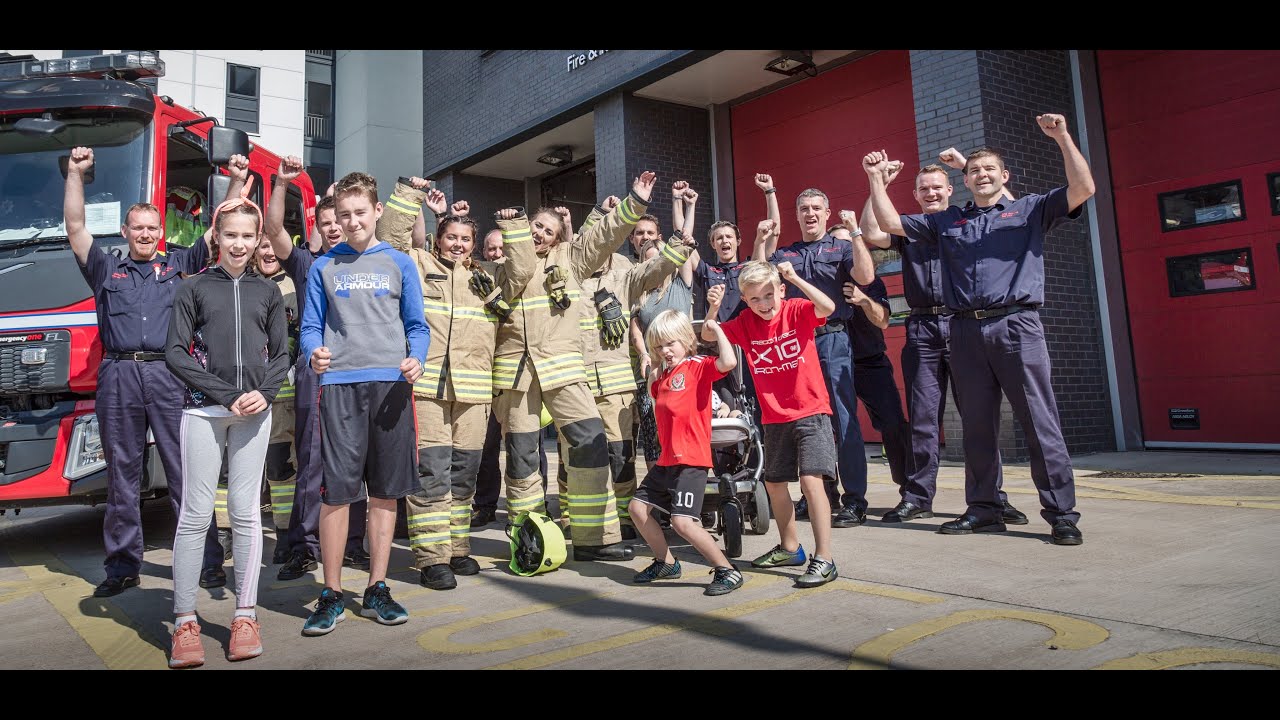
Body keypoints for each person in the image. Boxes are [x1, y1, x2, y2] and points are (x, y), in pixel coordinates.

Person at [865, 112, 1095, 546]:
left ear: (1003, 176)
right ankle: (985, 507)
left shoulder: (1029, 210)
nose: (982, 175)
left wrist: (1063, 137)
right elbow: (891, 226)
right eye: (974, 170)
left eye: (989, 169)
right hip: (965, 331)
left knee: (1039, 422)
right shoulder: (948, 221)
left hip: (1016, 326)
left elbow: (1084, 188)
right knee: (977, 426)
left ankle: (1061, 513)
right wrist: (877, 180)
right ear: (964, 181)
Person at [64, 146, 239, 598]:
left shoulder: (178, 264)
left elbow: (220, 232)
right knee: (122, 474)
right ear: (125, 231)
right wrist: (75, 175)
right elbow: (75, 227)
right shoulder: (105, 268)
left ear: (162, 232)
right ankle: (122, 565)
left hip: (168, 376)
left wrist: (237, 183)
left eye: (152, 228)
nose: (144, 234)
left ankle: (206, 560)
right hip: (119, 377)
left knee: (186, 471)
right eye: (137, 228)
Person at [492, 170, 654, 563]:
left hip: (563, 371)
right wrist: (513, 227)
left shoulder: (572, 258)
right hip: (516, 376)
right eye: (535, 225)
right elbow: (516, 271)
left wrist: (635, 203)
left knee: (590, 444)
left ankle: (593, 538)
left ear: (559, 236)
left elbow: (603, 236)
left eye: (548, 229)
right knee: (523, 457)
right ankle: (529, 541)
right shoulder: (505, 264)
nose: (540, 233)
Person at [858, 161, 1027, 525]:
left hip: (964, 323)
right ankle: (918, 496)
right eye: (924, 189)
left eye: (937, 187)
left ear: (951, 189)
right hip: (923, 327)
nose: (931, 193)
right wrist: (878, 186)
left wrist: (969, 165)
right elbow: (872, 229)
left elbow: (1010, 206)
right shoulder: (910, 228)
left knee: (978, 417)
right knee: (922, 418)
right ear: (916, 195)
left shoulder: (965, 221)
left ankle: (992, 497)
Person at [298, 171, 430, 635]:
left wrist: (416, 358)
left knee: (386, 492)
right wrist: (311, 352)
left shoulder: (400, 263)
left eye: (360, 213)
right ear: (334, 217)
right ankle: (331, 592)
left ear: (377, 212)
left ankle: (376, 587)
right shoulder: (322, 267)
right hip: (339, 387)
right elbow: (310, 327)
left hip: (391, 388)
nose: (352, 222)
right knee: (336, 493)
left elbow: (418, 326)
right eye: (344, 215)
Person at [163, 192, 290, 668]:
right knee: (196, 515)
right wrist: (222, 394)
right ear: (215, 236)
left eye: (247, 236)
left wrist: (266, 393)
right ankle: (185, 621)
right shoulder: (192, 287)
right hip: (202, 412)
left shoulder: (268, 291)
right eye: (230, 235)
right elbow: (175, 352)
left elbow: (281, 355)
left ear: (260, 239)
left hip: (255, 414)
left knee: (244, 513)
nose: (238, 244)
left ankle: (244, 615)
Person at [377, 178, 500, 590]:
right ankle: (431, 558)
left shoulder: (486, 277)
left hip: (474, 393)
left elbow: (522, 268)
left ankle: (457, 549)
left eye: (466, 238)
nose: (459, 245)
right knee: (432, 474)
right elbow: (390, 239)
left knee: (464, 475)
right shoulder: (417, 265)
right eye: (451, 237)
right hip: (427, 390)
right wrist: (410, 193)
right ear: (438, 240)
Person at [562, 198, 697, 541]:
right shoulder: (568, 276)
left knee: (621, 455)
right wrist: (596, 214)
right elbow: (579, 242)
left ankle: (626, 518)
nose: (598, 251)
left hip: (617, 383)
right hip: (575, 383)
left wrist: (679, 242)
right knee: (576, 456)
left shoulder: (624, 272)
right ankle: (573, 517)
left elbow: (658, 267)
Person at [702, 254, 840, 588]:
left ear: (780, 290)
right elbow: (709, 335)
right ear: (745, 301)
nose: (763, 303)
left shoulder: (795, 309)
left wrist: (795, 280)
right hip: (774, 418)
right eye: (754, 298)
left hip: (811, 412)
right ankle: (791, 547)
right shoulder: (746, 323)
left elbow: (828, 307)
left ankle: (825, 558)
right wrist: (713, 307)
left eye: (768, 294)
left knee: (810, 481)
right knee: (775, 483)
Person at [265, 159, 370, 581]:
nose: (333, 228)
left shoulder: (367, 263)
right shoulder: (309, 265)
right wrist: (281, 185)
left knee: (358, 461)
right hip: (317, 373)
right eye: (325, 222)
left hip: (359, 371)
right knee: (311, 462)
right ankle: (304, 545)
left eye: (338, 221)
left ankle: (355, 544)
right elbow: (273, 231)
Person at [756, 187, 875, 528]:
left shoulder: (841, 248)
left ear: (827, 213)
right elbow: (760, 279)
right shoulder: (786, 253)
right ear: (796, 215)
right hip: (796, 346)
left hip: (832, 341)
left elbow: (866, 276)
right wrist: (764, 241)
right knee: (809, 422)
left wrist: (854, 233)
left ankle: (854, 500)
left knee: (843, 420)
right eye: (804, 208)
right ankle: (822, 495)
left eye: (816, 208)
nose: (810, 213)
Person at [629, 309, 743, 596]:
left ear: (686, 341)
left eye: (671, 344)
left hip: (691, 460)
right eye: (659, 346)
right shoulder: (662, 377)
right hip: (668, 460)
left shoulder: (697, 366)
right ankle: (665, 562)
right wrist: (651, 360)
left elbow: (728, 361)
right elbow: (654, 385)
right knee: (637, 508)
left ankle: (727, 570)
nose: (665, 351)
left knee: (682, 522)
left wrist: (715, 328)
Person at [830, 219, 911, 491]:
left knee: (893, 422)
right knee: (829, 429)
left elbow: (885, 321)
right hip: (832, 363)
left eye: (849, 243)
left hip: (870, 361)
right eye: (837, 244)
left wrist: (863, 300)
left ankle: (909, 488)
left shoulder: (870, 281)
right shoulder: (821, 283)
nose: (844, 249)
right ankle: (825, 492)